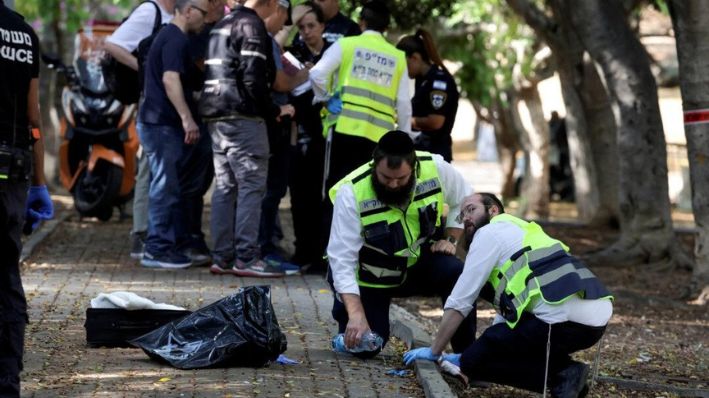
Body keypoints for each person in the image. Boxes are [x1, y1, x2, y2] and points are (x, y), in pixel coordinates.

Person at [403, 193, 613, 398]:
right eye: (461, 215)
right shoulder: (522, 231)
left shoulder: (489, 233)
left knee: (479, 357)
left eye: (471, 209)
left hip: (561, 321)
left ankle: (563, 374)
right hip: (595, 323)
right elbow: (509, 309)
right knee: (489, 345)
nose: (465, 217)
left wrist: (435, 350)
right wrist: (487, 349)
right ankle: (567, 375)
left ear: (493, 210)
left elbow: (461, 298)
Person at [327, 130, 476, 358]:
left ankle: (467, 358)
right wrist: (356, 314)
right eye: (386, 178)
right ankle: (346, 308)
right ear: (374, 165)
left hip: (416, 263)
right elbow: (341, 259)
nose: (394, 185)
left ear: (414, 167)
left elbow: (466, 201)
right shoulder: (352, 192)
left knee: (456, 271)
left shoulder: (434, 167)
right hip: (371, 274)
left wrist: (451, 239)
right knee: (369, 345)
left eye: (402, 179)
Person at [309, 0, 411, 272]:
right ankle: (362, 261)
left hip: (343, 131)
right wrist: (405, 142)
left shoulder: (346, 45)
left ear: (362, 23)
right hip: (379, 140)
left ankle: (325, 261)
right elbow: (403, 105)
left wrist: (325, 98)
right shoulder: (397, 57)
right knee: (369, 198)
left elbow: (317, 73)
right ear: (386, 28)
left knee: (333, 193)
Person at [200, 0, 295, 277]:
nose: (281, 23)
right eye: (283, 16)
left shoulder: (222, 24)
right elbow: (253, 79)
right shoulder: (251, 26)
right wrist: (275, 110)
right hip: (244, 118)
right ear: (275, 6)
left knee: (225, 187)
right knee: (252, 186)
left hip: (216, 117)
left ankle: (222, 257)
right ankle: (247, 257)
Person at [0, 2, 54, 395]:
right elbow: (34, 118)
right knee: (6, 276)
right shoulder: (24, 34)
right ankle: (7, 382)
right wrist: (39, 183)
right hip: (13, 169)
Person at [137, 0, 209, 268]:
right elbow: (170, 79)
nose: (204, 18)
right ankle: (157, 248)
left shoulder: (171, 36)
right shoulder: (176, 38)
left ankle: (163, 245)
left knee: (167, 185)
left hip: (159, 124)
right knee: (164, 186)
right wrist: (187, 118)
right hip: (161, 125)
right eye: (202, 12)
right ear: (188, 11)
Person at [104, 0, 176, 260]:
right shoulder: (150, 11)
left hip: (171, 102)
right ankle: (142, 232)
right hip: (153, 104)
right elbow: (112, 44)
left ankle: (161, 232)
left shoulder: (179, 11)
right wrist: (146, 70)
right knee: (149, 168)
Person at [258, 0, 308, 273]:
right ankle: (263, 248)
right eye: (286, 20)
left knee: (271, 191)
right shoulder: (264, 39)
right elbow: (278, 82)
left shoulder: (260, 37)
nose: (285, 27)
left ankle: (265, 245)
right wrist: (301, 76)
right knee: (271, 190)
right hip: (274, 125)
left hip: (274, 125)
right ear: (277, 10)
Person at [176, 0, 227, 266]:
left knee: (200, 183)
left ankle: (191, 237)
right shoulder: (199, 36)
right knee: (193, 185)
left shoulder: (218, 30)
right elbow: (197, 68)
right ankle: (188, 239)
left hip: (206, 120)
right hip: (198, 120)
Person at [284, 1, 329, 268]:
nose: (307, 31)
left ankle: (321, 254)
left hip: (327, 137)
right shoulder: (293, 54)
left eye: (311, 26)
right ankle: (303, 252)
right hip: (299, 135)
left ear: (323, 26)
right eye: (302, 27)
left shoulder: (334, 54)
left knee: (323, 200)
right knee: (300, 199)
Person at [396, 29, 459, 162]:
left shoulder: (438, 82)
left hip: (435, 152)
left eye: (403, 63)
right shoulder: (422, 81)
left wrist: (406, 119)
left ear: (415, 58)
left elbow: (436, 122)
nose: (402, 69)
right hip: (422, 149)